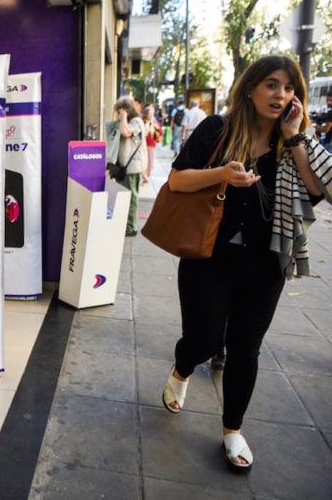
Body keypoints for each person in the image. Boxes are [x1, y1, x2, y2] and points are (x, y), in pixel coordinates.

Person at [160, 56, 330, 473]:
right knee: (202, 340)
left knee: (245, 348)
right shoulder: (217, 129)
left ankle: (232, 429)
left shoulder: (292, 141)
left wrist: (293, 138)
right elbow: (177, 179)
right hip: (208, 255)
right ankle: (183, 369)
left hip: (267, 261)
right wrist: (222, 174)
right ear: (251, 88)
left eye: (289, 89)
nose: (280, 95)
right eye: (271, 85)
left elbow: (317, 191)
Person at [113, 96, 147, 236]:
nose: (118, 114)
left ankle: (131, 227)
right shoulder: (131, 121)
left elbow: (125, 132)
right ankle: (127, 223)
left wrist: (123, 117)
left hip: (132, 167)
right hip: (126, 166)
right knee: (126, 196)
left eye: (119, 111)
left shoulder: (136, 122)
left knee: (131, 197)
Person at [142, 104, 162, 184]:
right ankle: (145, 177)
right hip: (143, 144)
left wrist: (155, 126)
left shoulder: (155, 122)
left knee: (150, 163)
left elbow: (160, 132)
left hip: (151, 144)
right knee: (144, 162)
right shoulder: (142, 122)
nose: (151, 115)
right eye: (149, 114)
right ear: (146, 114)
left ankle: (147, 175)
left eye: (152, 114)